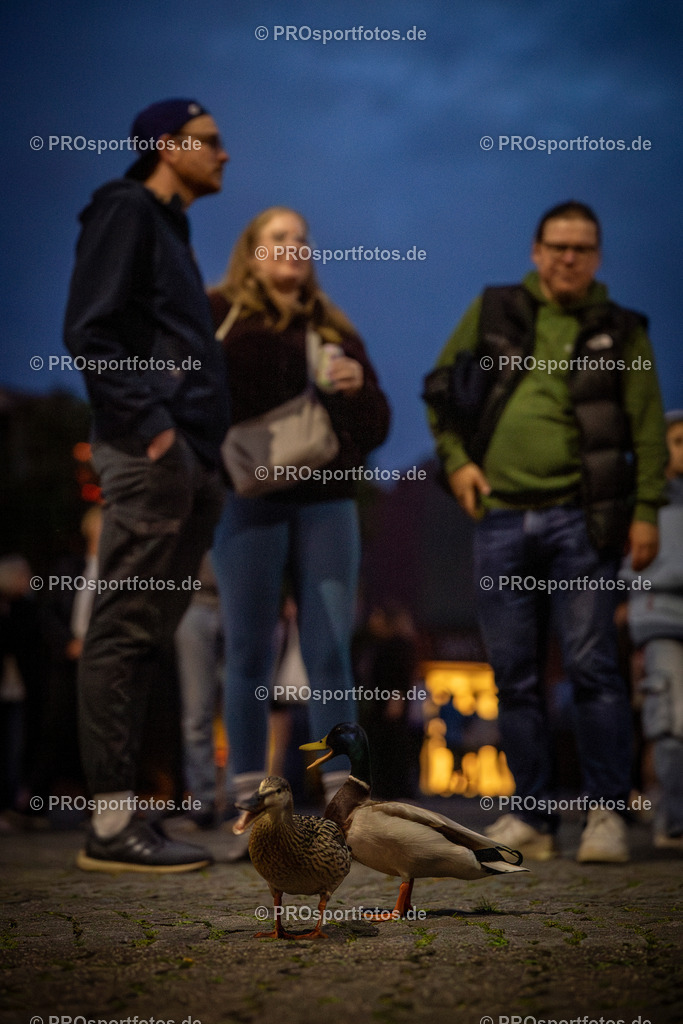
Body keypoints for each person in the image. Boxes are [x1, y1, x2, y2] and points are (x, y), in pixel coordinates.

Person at [427, 201, 667, 862]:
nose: (568, 258)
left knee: (593, 667)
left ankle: (603, 816)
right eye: (557, 246)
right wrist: (457, 465)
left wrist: (645, 511)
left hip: (581, 519)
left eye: (582, 248)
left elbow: (646, 426)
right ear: (535, 251)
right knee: (513, 673)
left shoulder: (623, 331)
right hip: (499, 517)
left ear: (596, 258)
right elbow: (439, 389)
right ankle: (531, 815)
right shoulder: (494, 308)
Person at [63, 98, 230, 872]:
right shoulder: (125, 207)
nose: (224, 154)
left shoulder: (174, 227)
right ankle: (108, 826)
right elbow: (89, 330)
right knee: (122, 630)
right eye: (209, 142)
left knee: (148, 638)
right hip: (149, 451)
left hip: (189, 458)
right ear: (165, 146)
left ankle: (131, 819)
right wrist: (154, 429)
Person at [208, 207, 390, 820]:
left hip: (327, 501)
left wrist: (357, 385)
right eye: (278, 238)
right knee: (249, 652)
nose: (295, 246)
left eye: (302, 238)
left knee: (330, 647)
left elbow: (375, 430)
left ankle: (344, 798)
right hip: (248, 500)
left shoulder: (334, 327)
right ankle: (250, 802)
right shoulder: (220, 317)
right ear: (251, 252)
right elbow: (196, 401)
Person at [627, 410, 683, 849]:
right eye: (678, 441)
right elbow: (631, 568)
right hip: (661, 622)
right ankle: (671, 817)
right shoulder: (646, 501)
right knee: (668, 722)